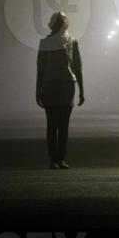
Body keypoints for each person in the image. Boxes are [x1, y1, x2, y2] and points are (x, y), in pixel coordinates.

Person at [36, 11, 85, 169]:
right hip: (53, 85)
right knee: (53, 125)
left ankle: (60, 159)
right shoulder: (44, 43)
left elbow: (78, 67)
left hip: (64, 85)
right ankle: (54, 160)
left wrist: (82, 90)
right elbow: (40, 69)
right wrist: (38, 90)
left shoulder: (72, 41)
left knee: (62, 125)